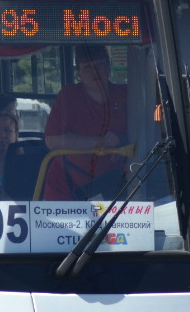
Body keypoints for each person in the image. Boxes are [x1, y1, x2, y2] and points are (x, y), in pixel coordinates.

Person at [42, 46, 129, 199]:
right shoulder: (68, 97)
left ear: (109, 66)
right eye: (88, 67)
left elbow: (148, 132)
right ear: (78, 73)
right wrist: (101, 142)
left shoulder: (127, 94)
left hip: (118, 183)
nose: (94, 71)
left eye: (100, 64)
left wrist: (122, 140)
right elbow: (52, 140)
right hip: (65, 185)